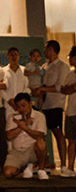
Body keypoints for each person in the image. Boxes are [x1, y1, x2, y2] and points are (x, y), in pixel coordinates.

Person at [33, 40, 71, 175]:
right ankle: (44, 163)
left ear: (51, 50)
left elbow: (60, 86)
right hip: (43, 105)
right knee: (40, 135)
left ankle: (64, 165)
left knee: (58, 133)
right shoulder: (44, 66)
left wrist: (43, 89)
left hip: (55, 104)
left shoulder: (62, 67)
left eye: (46, 48)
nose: (44, 51)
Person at [3, 93, 48, 180]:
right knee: (8, 173)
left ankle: (41, 170)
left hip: (32, 150)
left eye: (24, 105)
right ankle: (26, 166)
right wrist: (21, 126)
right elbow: (9, 136)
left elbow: (40, 135)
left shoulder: (39, 116)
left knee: (41, 142)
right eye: (19, 107)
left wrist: (26, 128)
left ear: (30, 104)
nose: (21, 109)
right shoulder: (12, 117)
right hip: (17, 152)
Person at [2, 47, 30, 121]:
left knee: (23, 128)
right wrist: (9, 100)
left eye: (15, 55)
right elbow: (1, 89)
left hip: (22, 106)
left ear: (18, 57)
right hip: (9, 106)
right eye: (11, 55)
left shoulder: (25, 70)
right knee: (10, 129)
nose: (14, 57)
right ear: (8, 57)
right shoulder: (3, 71)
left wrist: (20, 101)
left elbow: (27, 87)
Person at [61, 46, 76, 177]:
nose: (70, 60)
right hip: (70, 111)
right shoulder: (71, 73)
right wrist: (71, 87)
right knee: (71, 140)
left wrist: (71, 87)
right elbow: (64, 89)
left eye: (70, 57)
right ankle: (70, 168)